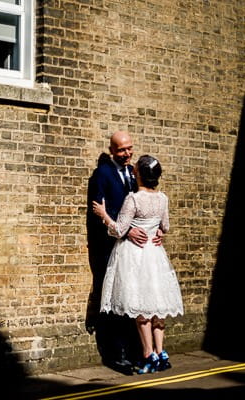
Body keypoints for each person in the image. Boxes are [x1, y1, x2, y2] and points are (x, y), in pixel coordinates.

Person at [92, 154, 184, 374]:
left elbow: (118, 230)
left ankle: (147, 355)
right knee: (157, 304)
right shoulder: (163, 198)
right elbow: (166, 226)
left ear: (139, 174)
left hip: (135, 255)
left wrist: (104, 215)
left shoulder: (133, 199)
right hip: (155, 252)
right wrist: (158, 231)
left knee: (141, 306)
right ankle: (161, 353)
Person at [85, 131, 159, 374]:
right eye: (121, 150)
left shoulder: (133, 173)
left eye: (130, 148)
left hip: (134, 251)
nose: (127, 154)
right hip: (110, 250)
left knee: (133, 299)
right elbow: (99, 217)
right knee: (114, 302)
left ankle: (138, 352)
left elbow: (143, 208)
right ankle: (117, 356)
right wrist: (127, 233)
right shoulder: (101, 176)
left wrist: (157, 231)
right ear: (111, 150)